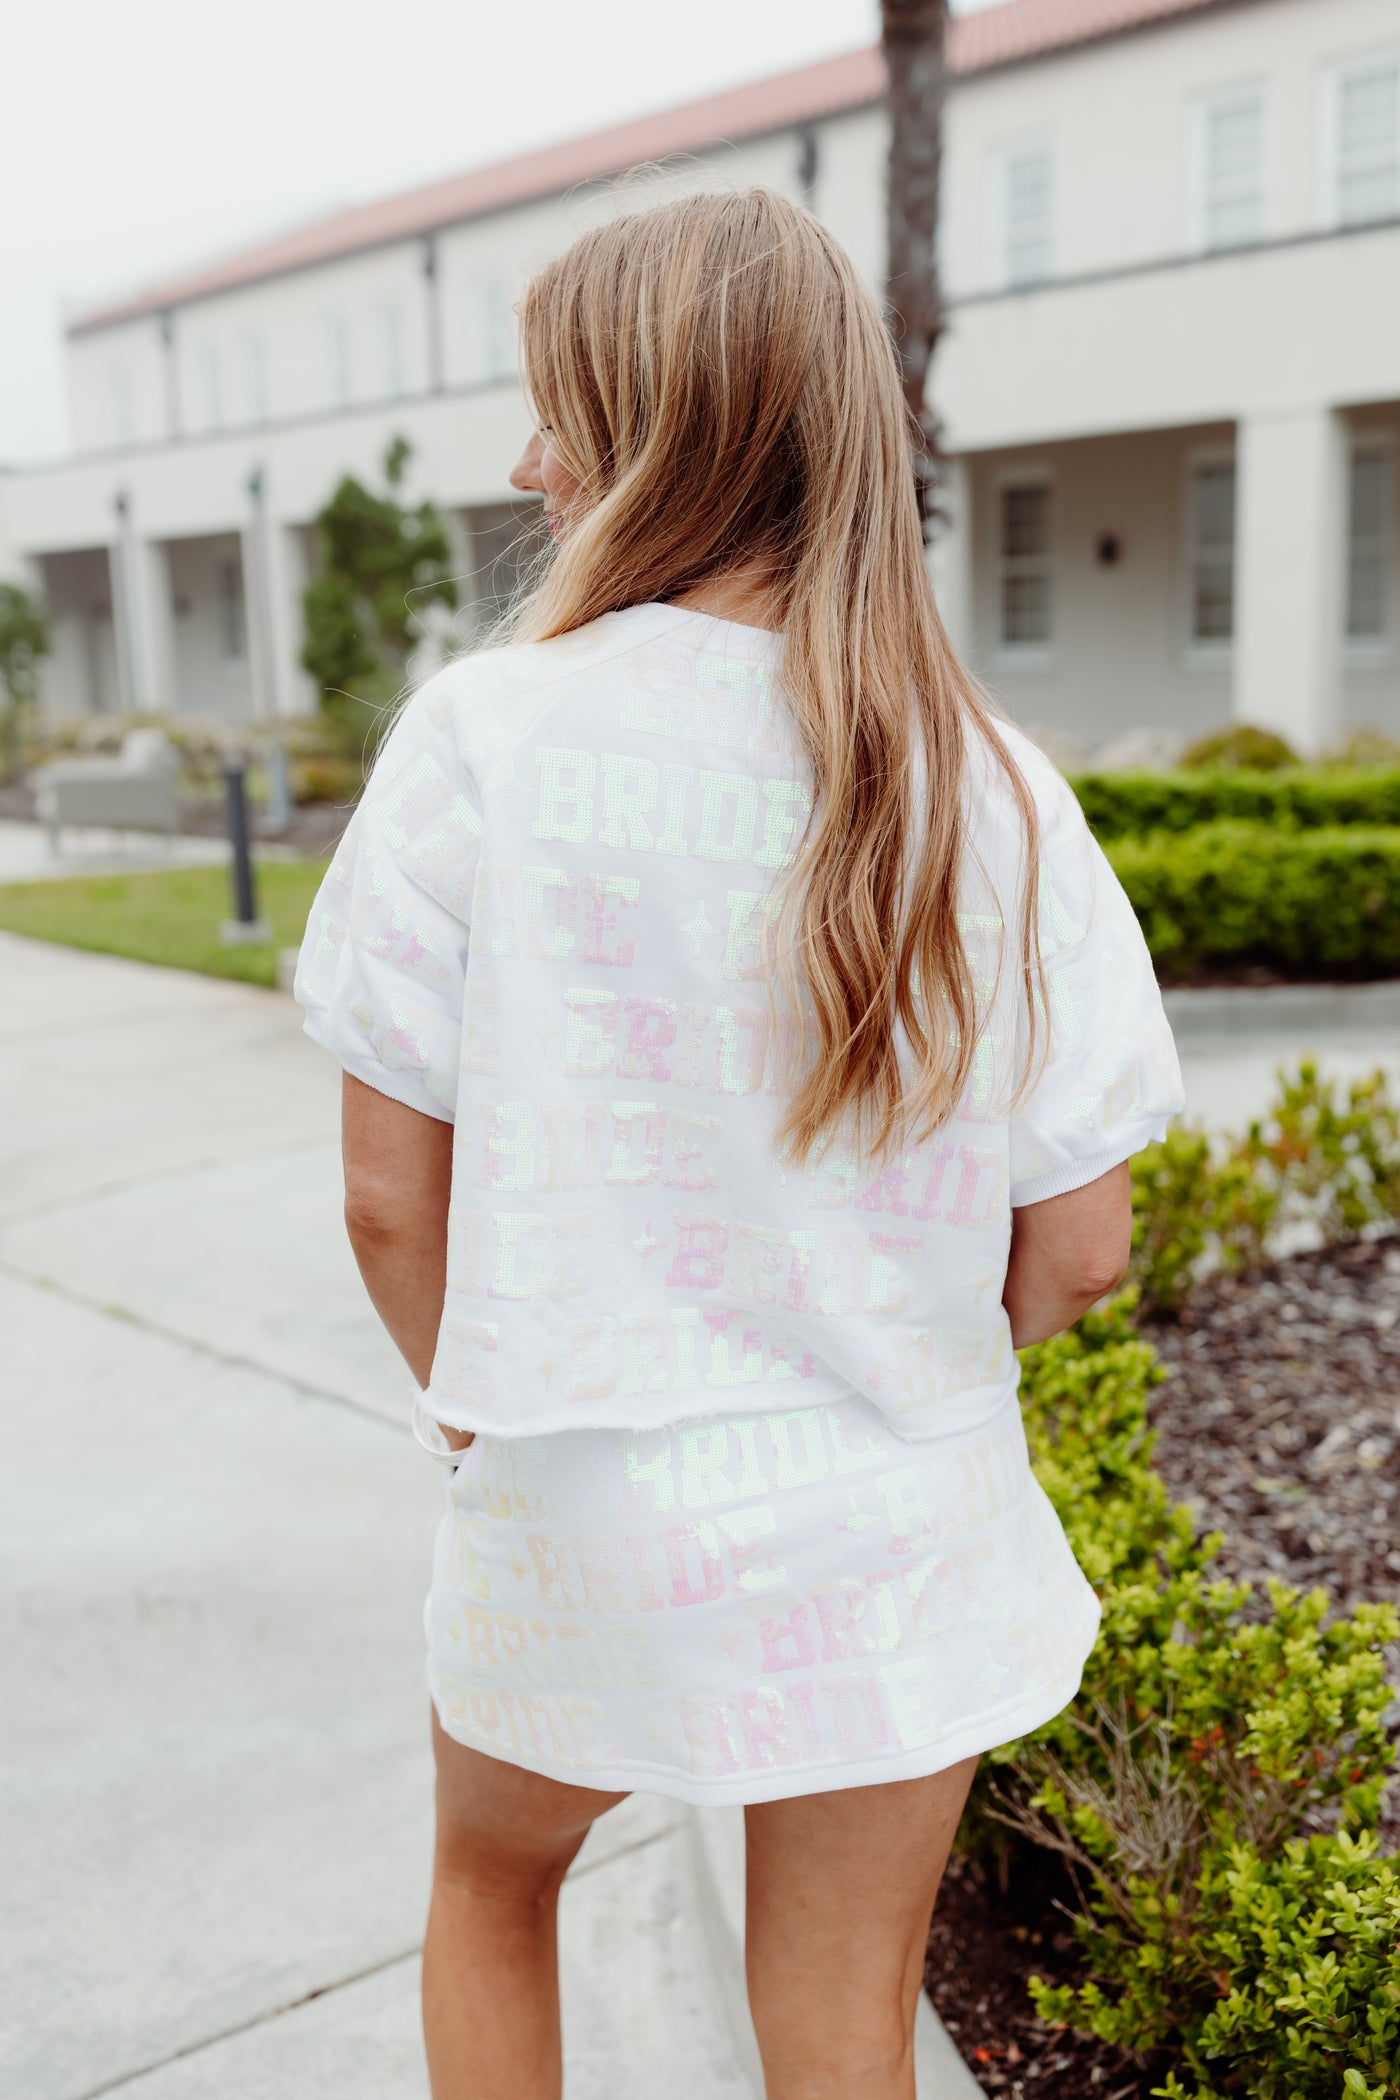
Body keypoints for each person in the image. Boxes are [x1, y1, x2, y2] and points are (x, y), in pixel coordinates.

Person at [294, 187, 1182, 2100]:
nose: (531, 459)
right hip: (898, 1521)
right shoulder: (1001, 790)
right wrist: (890, 1377)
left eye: (563, 408)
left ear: (663, 431)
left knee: (492, 1886)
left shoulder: (488, 742)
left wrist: (481, 1409)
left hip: (585, 1502)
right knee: (846, 2027)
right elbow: (1085, 1249)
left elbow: (388, 1200)